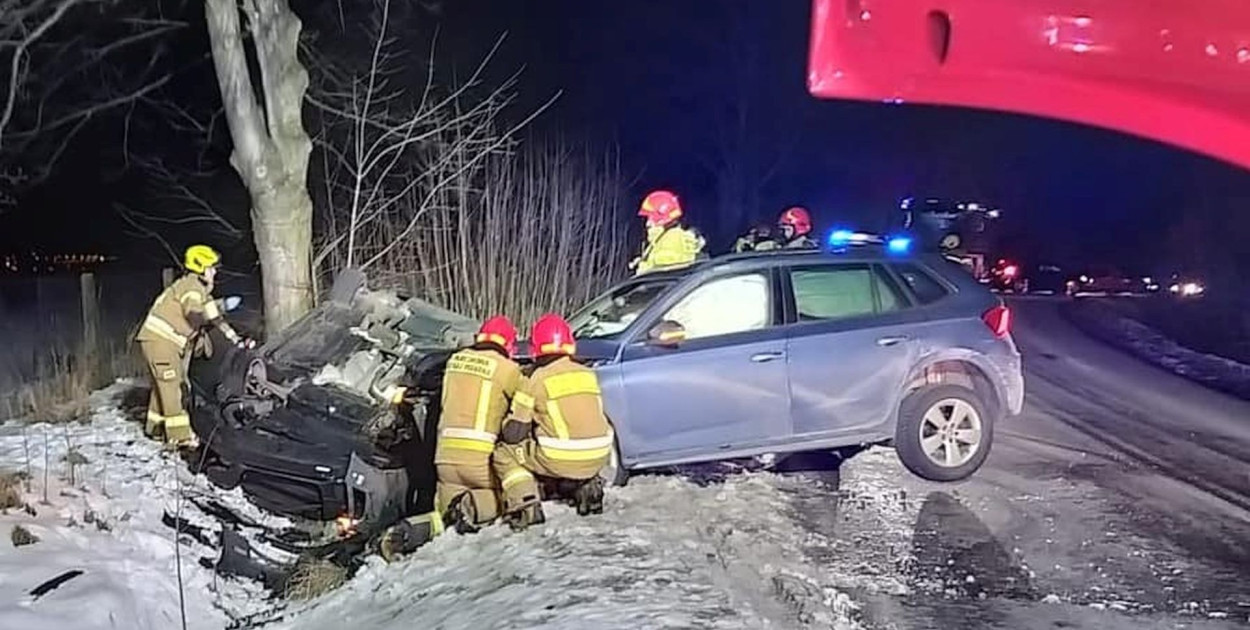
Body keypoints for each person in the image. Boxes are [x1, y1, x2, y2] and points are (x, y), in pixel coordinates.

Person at [494, 313, 612, 530]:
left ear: (535, 346)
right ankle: (587, 485)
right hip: (600, 456)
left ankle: (525, 502)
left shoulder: (535, 379)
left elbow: (515, 432)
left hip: (559, 458)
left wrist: (502, 424)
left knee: (504, 452)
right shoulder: (588, 373)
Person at [135, 244, 247, 449]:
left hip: (160, 342)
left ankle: (156, 428)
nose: (215, 271)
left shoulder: (200, 290)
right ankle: (180, 437)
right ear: (201, 267)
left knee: (164, 385)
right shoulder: (191, 288)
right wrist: (223, 305)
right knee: (172, 386)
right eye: (212, 267)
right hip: (161, 342)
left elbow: (216, 321)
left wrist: (237, 340)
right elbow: (194, 313)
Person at [630, 189, 706, 275]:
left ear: (661, 218)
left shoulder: (673, 239)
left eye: (650, 217)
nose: (647, 223)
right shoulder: (662, 238)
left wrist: (644, 268)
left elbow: (664, 274)